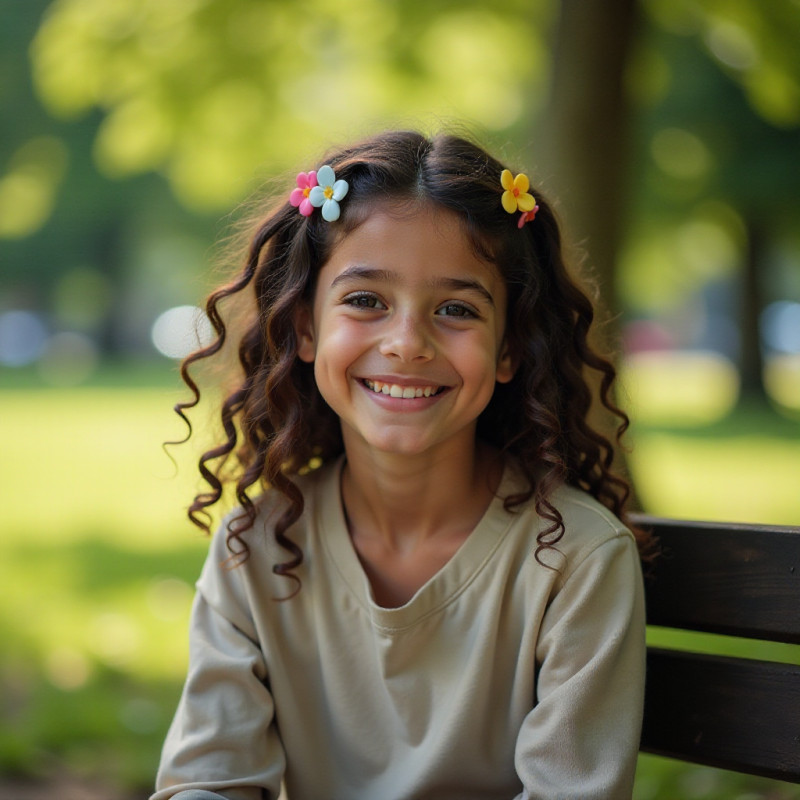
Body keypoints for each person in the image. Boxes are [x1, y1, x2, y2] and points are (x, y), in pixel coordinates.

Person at [151, 130, 649, 800]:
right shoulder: (257, 547)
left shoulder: (578, 559)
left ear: (510, 350)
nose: (407, 344)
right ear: (303, 328)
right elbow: (208, 782)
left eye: (455, 310)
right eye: (365, 300)